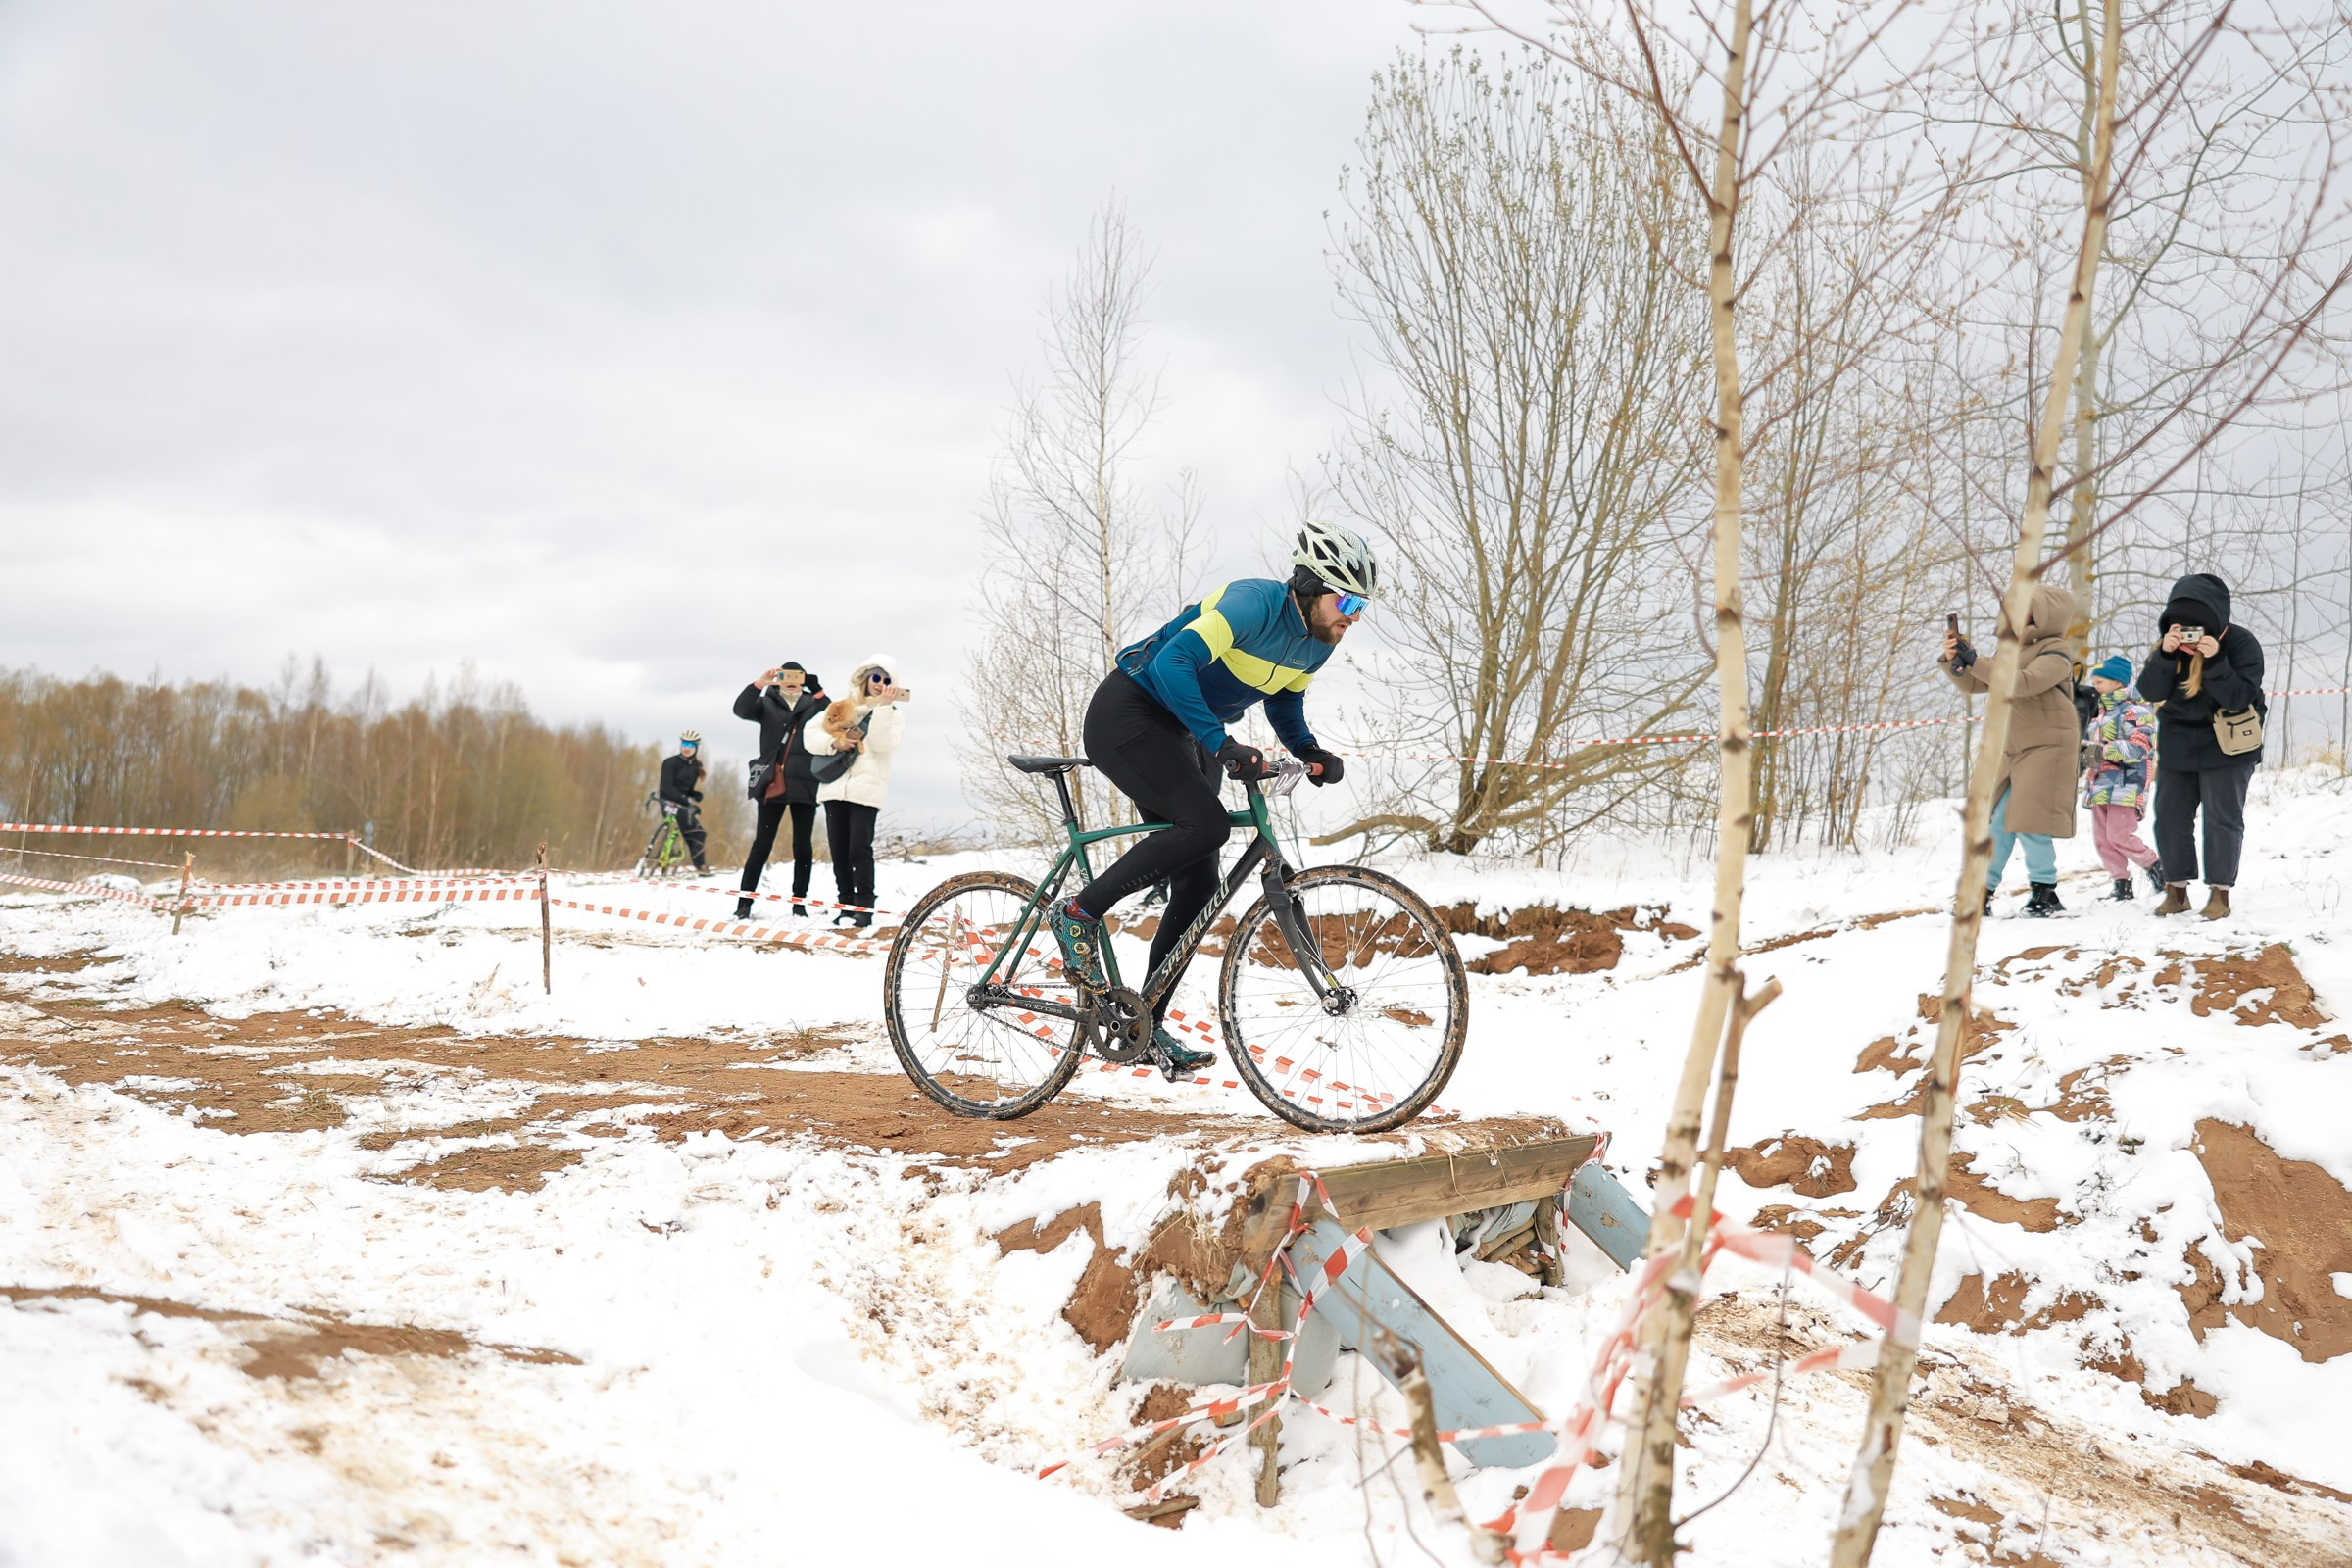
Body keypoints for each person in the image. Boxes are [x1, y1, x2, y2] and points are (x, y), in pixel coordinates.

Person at [1052, 521, 1368, 1077]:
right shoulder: (1253, 604)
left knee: (1199, 882)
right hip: (1130, 711)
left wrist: (1311, 750)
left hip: (1182, 730)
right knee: (1207, 825)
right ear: (1311, 586)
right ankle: (1079, 913)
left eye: (1362, 604)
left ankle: (1142, 1021)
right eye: (1346, 598)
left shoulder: (1318, 644)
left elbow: (1283, 708)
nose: (1354, 614)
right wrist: (1221, 743)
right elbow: (1173, 664)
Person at [1941, 583, 2081, 917]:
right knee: (2000, 821)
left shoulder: (2056, 652)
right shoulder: (2009, 651)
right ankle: (1981, 892)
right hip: (2013, 747)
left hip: (2049, 745)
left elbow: (2022, 683)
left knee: (2030, 820)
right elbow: (1977, 683)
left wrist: (1977, 660)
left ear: (2044, 615)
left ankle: (2045, 892)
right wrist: (1956, 660)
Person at [2137, 571, 2265, 920]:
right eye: (2180, 625)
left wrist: (2214, 661)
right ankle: (2176, 891)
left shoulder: (2240, 644)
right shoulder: (2170, 648)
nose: (2188, 634)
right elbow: (2149, 692)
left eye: (2196, 627)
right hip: (2179, 741)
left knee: (2222, 818)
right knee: (2169, 817)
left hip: (2229, 744)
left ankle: (2219, 895)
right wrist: (2164, 654)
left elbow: (2240, 697)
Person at [804, 655, 908, 929]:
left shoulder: (894, 715)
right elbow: (809, 734)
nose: (880, 684)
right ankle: (845, 905)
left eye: (887, 681)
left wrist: (884, 707)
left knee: (858, 850)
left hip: (867, 790)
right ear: (865, 678)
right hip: (834, 788)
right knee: (838, 851)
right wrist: (835, 743)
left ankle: (864, 907)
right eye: (876, 678)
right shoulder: (842, 705)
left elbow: (882, 743)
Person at [732, 662, 826, 919]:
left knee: (803, 846)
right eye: (785, 676)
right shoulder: (767, 702)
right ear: (779, 679)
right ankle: (744, 904)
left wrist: (817, 689)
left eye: (797, 677)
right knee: (761, 845)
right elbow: (740, 710)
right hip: (772, 782)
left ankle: (799, 903)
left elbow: (833, 716)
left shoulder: (813, 704)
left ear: (804, 679)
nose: (791, 681)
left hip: (805, 782)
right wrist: (759, 684)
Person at [2082, 655, 2165, 901]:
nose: (2095, 686)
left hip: (2126, 784)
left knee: (2118, 834)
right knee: (2102, 839)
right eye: (2094, 681)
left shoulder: (2136, 710)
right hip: (2099, 783)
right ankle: (2121, 883)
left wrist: (2102, 750)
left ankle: (2156, 868)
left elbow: (2141, 747)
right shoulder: (2099, 713)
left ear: (2118, 683)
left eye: (2100, 681)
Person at [658, 730, 711, 875]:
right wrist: (687, 803)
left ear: (696, 747)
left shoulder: (695, 766)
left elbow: (686, 790)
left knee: (698, 833)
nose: (686, 747)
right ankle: (665, 858)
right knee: (689, 827)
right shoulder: (670, 763)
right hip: (667, 802)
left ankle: (700, 866)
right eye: (684, 743)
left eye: (690, 744)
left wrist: (695, 794)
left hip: (682, 805)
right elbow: (666, 788)